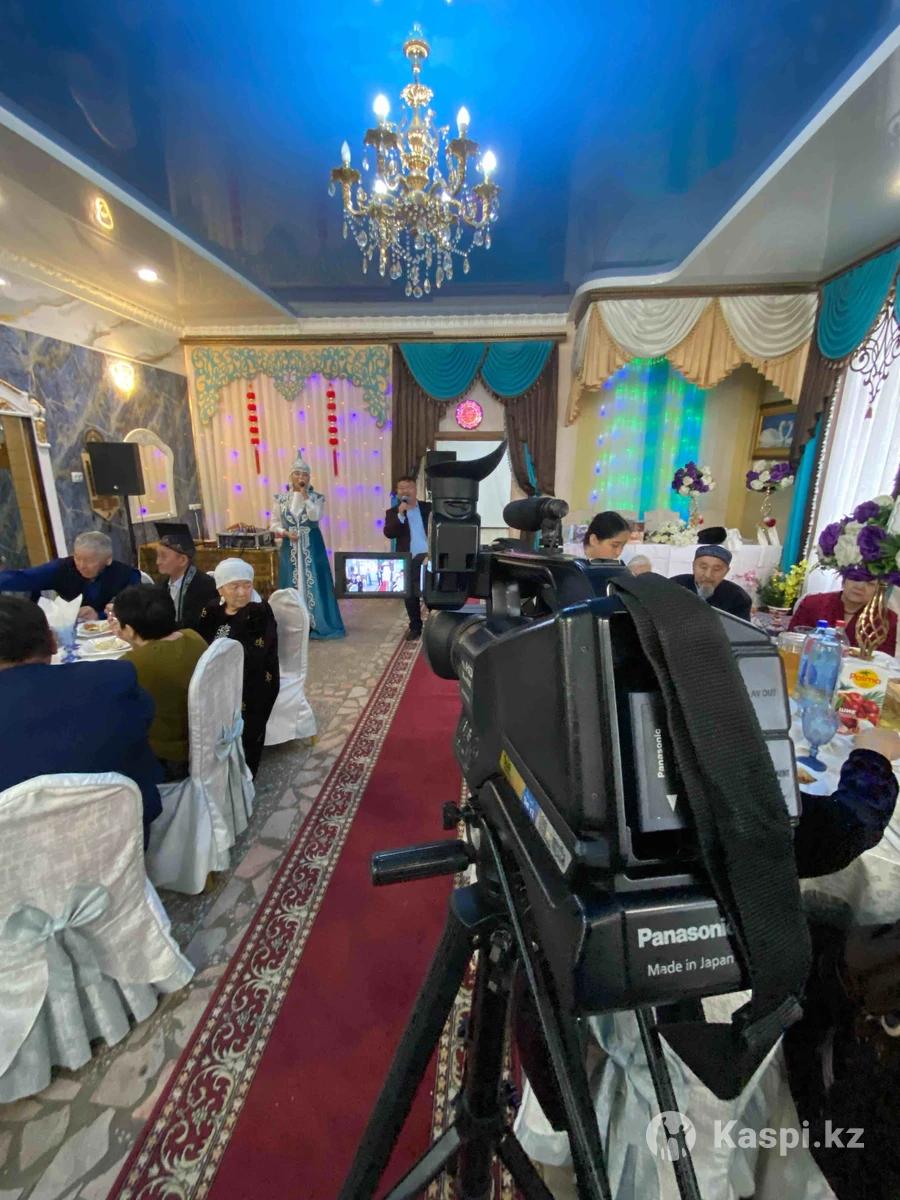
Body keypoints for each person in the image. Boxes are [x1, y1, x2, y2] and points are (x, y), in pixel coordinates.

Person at [0, 595, 162, 846]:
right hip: (122, 838)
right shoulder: (114, 679)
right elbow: (145, 718)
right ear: (52, 641)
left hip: (21, 859)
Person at [112, 585, 207, 782]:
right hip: (204, 739)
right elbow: (154, 652)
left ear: (129, 629)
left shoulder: (130, 665)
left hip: (169, 756)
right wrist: (134, 639)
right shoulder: (193, 637)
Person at [196, 558, 279, 777]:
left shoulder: (259, 612)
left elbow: (258, 653)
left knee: (248, 726)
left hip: (253, 678)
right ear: (220, 588)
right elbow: (199, 641)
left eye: (247, 585)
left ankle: (245, 776)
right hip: (214, 676)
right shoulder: (211, 609)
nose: (242, 592)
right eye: (234, 586)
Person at [270, 454, 345, 639]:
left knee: (315, 580)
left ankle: (317, 621)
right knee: (291, 581)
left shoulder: (316, 497)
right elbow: (273, 523)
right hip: (290, 547)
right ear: (291, 476)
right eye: (297, 474)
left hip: (312, 545)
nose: (300, 477)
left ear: (309, 478)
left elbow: (315, 516)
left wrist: (306, 498)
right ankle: (294, 624)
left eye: (304, 474)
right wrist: (285, 533)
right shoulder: (281, 499)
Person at [0, 530, 139, 620]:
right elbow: (24, 578)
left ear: (108, 560)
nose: (81, 565)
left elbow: (134, 609)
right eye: (77, 558)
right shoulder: (61, 569)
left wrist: (100, 615)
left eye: (89, 561)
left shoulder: (127, 575)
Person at [790, 576, 897, 655]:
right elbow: (791, 643)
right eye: (856, 578)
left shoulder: (886, 619)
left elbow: (884, 662)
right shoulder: (812, 604)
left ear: (878, 589)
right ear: (844, 580)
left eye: (870, 583)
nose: (860, 586)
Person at [384, 475, 432, 641]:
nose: (405, 491)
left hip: (429, 557)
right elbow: (389, 533)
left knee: (431, 592)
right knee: (410, 595)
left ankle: (436, 624)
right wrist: (400, 515)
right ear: (397, 492)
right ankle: (415, 627)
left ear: (415, 489)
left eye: (408, 487)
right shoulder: (393, 512)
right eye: (401, 488)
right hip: (408, 559)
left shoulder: (428, 508)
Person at [152, 521, 218, 634]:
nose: (157, 562)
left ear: (182, 560)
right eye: (157, 556)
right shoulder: (163, 585)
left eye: (163, 556)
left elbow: (196, 626)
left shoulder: (204, 586)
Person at [672, 544, 752, 620]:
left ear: (726, 571)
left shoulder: (739, 598)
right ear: (693, 566)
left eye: (716, 569)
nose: (708, 575)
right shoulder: (674, 585)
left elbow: (739, 628)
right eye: (703, 567)